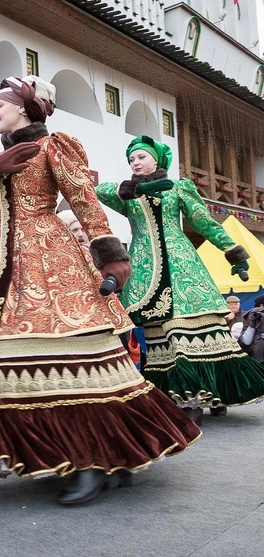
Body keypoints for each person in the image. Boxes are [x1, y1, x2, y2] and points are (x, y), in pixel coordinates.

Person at [0, 76, 201, 506]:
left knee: (77, 362)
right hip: (1, 267)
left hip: (52, 261)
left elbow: (84, 202)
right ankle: (80, 455)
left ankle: (94, 461)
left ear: (25, 109)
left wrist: (109, 254)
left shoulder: (54, 147)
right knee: (2, 358)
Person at [96, 135, 264, 420]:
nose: (135, 162)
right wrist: (135, 189)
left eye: (141, 157)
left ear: (156, 159)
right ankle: (175, 397)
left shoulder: (178, 187)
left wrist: (233, 253)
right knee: (160, 338)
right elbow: (100, 191)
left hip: (181, 269)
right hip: (145, 272)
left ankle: (198, 398)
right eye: (131, 159)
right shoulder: (128, 196)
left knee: (185, 335)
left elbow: (204, 223)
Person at [239, 295, 264, 360]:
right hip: (256, 361)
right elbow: (245, 342)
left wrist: (262, 331)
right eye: (258, 306)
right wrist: (252, 326)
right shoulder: (249, 316)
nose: (261, 309)